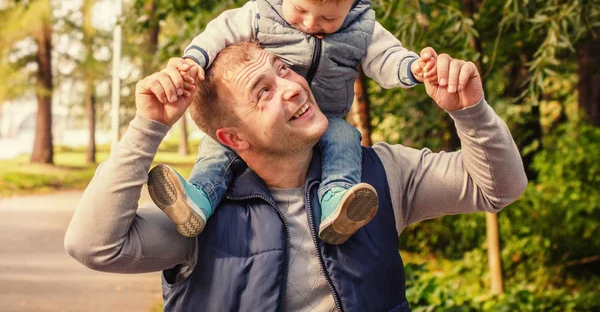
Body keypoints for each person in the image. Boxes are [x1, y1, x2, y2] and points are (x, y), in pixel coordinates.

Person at [65, 42, 527, 312]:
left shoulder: (379, 176)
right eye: (262, 92)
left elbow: (499, 188)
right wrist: (149, 127)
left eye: (282, 69)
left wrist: (470, 111)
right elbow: (94, 245)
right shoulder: (197, 219)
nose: (291, 86)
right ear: (233, 139)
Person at [154, 0, 437, 244]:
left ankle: (337, 203)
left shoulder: (361, 28)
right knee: (222, 143)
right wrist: (193, 61)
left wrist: (414, 67)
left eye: (329, 18)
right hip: (268, 121)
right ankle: (199, 199)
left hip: (325, 116)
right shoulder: (262, 13)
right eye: (300, 9)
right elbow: (221, 31)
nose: (311, 24)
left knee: (345, 139)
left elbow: (385, 58)